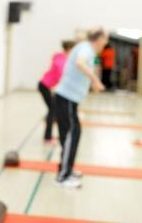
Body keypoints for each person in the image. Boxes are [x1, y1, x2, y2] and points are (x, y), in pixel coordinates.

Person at [54, 27, 108, 188]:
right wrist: (95, 80)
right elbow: (79, 63)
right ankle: (63, 177)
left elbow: (85, 66)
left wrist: (92, 80)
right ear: (98, 39)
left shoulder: (88, 49)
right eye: (105, 39)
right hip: (66, 98)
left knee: (69, 135)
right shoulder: (85, 48)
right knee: (73, 134)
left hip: (69, 100)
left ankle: (67, 169)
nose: (106, 42)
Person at [38, 40, 75, 142]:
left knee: (52, 110)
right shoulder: (62, 60)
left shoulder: (62, 58)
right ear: (68, 49)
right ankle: (47, 137)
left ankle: (49, 134)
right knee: (52, 110)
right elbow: (60, 76)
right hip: (46, 86)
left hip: (45, 85)